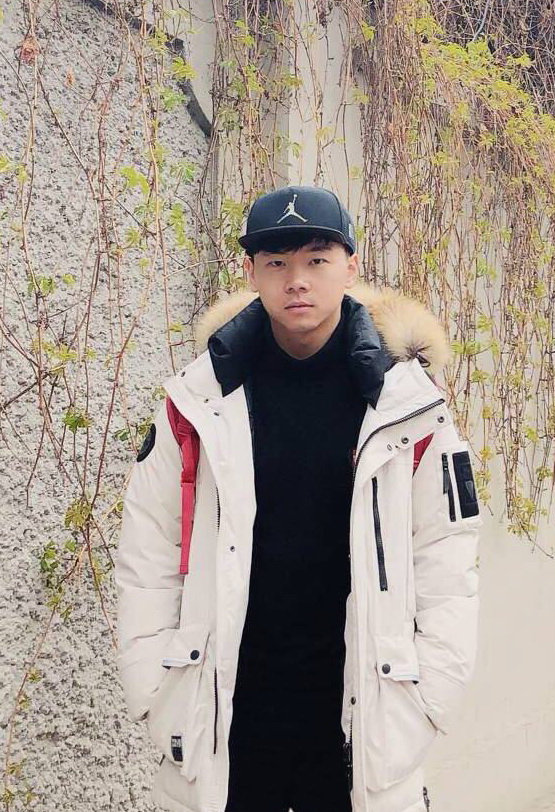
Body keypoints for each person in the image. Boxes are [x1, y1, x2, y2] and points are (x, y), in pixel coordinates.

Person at [115, 185, 481, 812]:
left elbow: (447, 560)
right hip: (226, 710)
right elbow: (148, 550)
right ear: (251, 271)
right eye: (277, 262)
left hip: (360, 711)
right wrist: (155, 690)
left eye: (317, 259)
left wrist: (426, 702)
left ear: (350, 266)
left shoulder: (407, 405)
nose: (297, 281)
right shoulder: (198, 401)